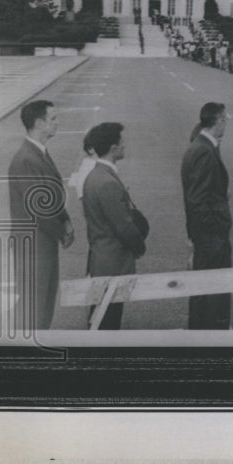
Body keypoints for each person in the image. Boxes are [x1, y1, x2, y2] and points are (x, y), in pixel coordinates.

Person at [7, 100, 74, 330]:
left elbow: (50, 196)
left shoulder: (39, 154)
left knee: (44, 302)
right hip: (33, 246)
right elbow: (39, 208)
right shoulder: (27, 159)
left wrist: (65, 219)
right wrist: (61, 231)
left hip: (43, 242)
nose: (58, 122)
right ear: (39, 123)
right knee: (34, 308)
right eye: (53, 118)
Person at [81, 122, 149, 330]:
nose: (125, 146)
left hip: (102, 259)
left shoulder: (97, 175)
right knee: (108, 321)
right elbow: (123, 227)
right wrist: (140, 247)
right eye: (122, 143)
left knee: (101, 318)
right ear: (113, 148)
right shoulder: (107, 182)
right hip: (112, 262)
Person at [180, 102, 233, 330]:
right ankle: (210, 339)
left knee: (203, 292)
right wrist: (216, 227)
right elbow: (197, 201)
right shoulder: (203, 151)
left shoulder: (200, 146)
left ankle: (200, 335)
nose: (226, 124)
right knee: (213, 294)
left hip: (205, 235)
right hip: (211, 237)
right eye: (225, 119)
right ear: (218, 121)